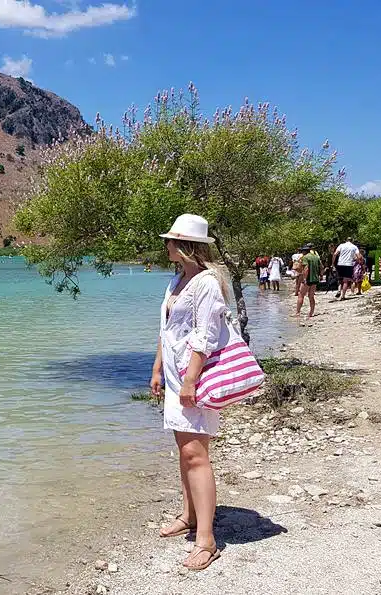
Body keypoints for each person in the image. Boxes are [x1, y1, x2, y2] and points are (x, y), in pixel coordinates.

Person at [150, 214, 228, 572]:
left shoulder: (207, 282)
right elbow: (167, 329)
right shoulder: (178, 278)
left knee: (196, 454)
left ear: (185, 244)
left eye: (171, 240)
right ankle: (190, 515)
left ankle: (207, 541)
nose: (165, 245)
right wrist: (157, 369)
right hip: (175, 375)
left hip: (193, 378)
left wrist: (190, 381)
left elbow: (205, 336)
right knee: (184, 451)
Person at [295, 243, 321, 317]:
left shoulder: (305, 257)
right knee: (311, 296)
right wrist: (321, 276)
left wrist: (305, 279)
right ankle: (311, 313)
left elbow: (306, 268)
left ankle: (297, 313)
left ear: (304, 251)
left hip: (308, 279)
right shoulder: (316, 257)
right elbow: (321, 267)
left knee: (301, 295)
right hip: (315, 279)